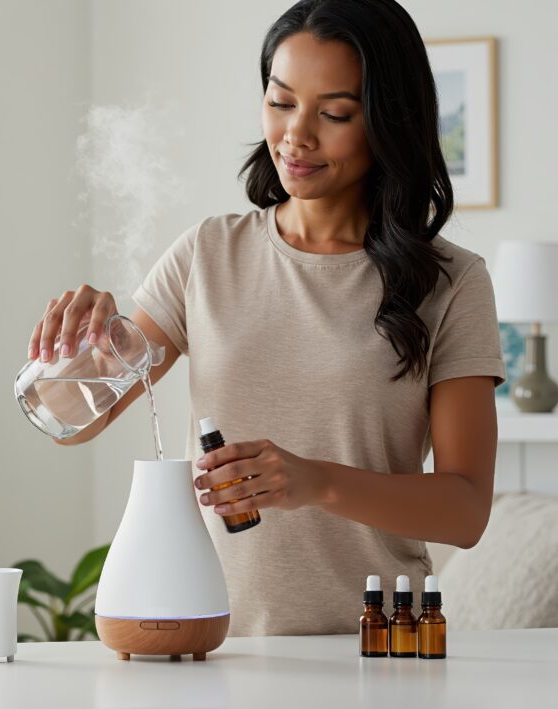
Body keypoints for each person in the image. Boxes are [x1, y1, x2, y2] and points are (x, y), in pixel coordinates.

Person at [28, 0, 504, 636]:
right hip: (213, 645)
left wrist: (312, 482)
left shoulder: (451, 282)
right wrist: (81, 342)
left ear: (388, 123)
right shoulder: (208, 254)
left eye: (334, 113)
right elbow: (67, 418)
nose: (296, 135)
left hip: (382, 647)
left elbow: (465, 510)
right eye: (281, 102)